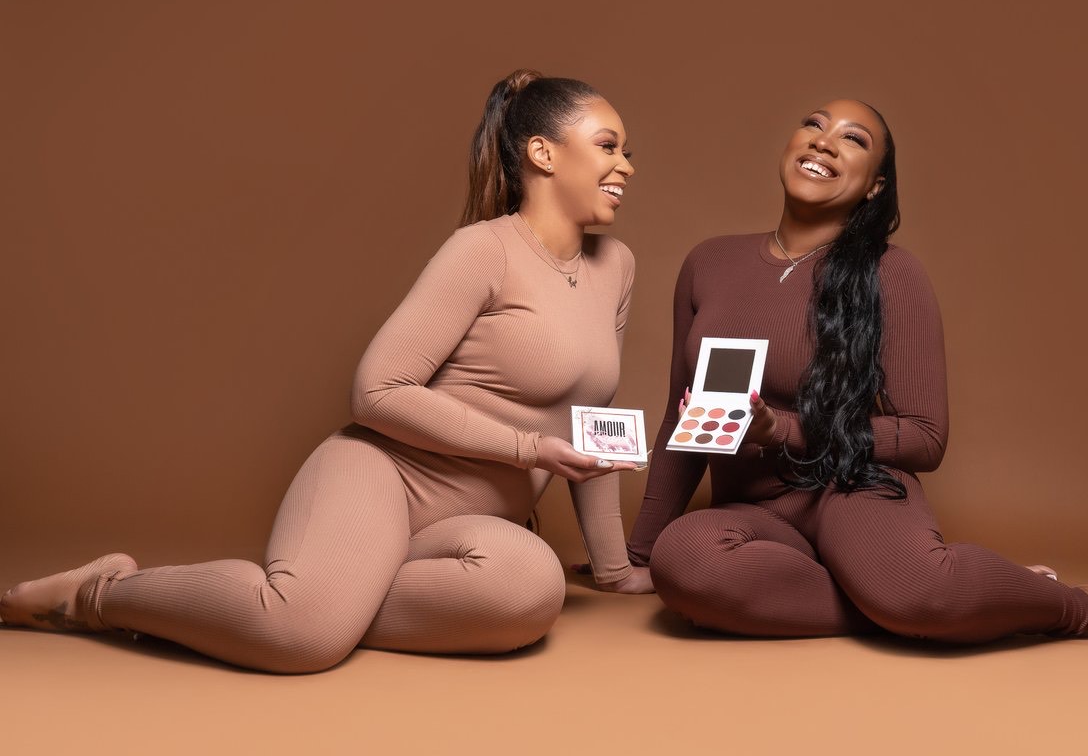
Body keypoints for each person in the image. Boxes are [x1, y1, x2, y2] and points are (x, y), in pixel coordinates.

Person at [1, 69, 653, 672]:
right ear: (543, 154)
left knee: (530, 590)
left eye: (626, 151)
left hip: (465, 526)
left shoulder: (614, 266)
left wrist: (613, 569)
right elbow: (376, 390)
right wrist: (527, 448)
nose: (624, 164)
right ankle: (100, 593)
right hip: (384, 477)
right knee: (302, 639)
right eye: (607, 146)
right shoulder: (482, 251)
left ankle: (338, 587)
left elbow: (591, 421)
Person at [628, 98, 1088, 647]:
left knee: (918, 591)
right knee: (685, 566)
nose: (824, 143)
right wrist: (642, 550)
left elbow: (924, 437)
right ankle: (946, 597)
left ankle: (1076, 605)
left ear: (874, 186)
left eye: (853, 139)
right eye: (814, 124)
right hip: (756, 514)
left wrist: (784, 429)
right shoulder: (709, 262)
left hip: (851, 491)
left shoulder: (893, 273)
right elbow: (681, 416)